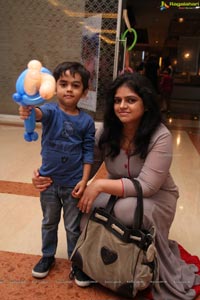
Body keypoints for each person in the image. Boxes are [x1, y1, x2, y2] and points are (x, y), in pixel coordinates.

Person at [32, 72, 200, 299]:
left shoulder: (160, 136)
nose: (122, 106)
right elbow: (86, 161)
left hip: (157, 196)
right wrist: (47, 174)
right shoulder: (107, 131)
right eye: (118, 100)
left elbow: (148, 185)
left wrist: (100, 185)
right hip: (118, 190)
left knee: (123, 210)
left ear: (146, 105)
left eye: (131, 100)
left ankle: (137, 255)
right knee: (83, 212)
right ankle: (105, 258)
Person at [19, 61, 95, 286]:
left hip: (73, 184)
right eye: (63, 84)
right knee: (49, 222)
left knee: (73, 227)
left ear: (84, 91)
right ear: (54, 87)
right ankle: (47, 256)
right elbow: (38, 113)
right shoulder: (51, 111)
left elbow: (88, 153)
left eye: (75, 85)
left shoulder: (86, 121)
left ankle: (76, 262)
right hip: (49, 183)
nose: (69, 89)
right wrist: (28, 109)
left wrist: (84, 181)